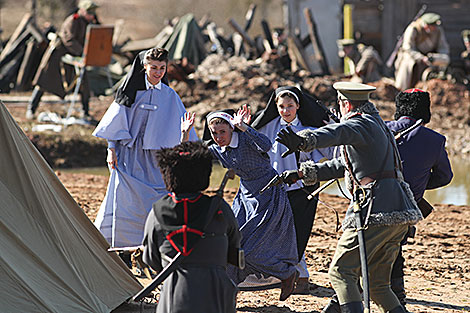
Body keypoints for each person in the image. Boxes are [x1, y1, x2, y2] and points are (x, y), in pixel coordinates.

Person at [276, 81, 423, 313]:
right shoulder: (376, 125)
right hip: (397, 212)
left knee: (341, 273)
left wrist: (304, 141)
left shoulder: (359, 123)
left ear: (345, 104)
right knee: (377, 285)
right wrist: (301, 174)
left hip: (375, 211)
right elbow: (344, 165)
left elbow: (336, 132)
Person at [181, 105, 299, 301]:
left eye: (222, 132)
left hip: (268, 194)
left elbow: (267, 145)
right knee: (230, 245)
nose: (219, 137)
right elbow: (186, 157)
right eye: (214, 133)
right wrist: (185, 134)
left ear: (231, 129)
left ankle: (286, 274)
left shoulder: (245, 138)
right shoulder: (217, 150)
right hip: (245, 197)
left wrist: (244, 127)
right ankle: (230, 291)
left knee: (252, 251)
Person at [92, 48, 197, 252]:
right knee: (125, 200)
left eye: (162, 68)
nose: (158, 72)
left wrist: (185, 136)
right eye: (154, 68)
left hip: (155, 159)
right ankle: (119, 246)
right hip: (129, 157)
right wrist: (111, 149)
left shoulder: (170, 96)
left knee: (156, 200)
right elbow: (116, 123)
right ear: (144, 67)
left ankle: (151, 246)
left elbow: (182, 132)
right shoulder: (130, 91)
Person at [142, 140, 241, 313]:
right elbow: (234, 248)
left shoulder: (156, 213)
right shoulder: (220, 209)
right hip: (217, 294)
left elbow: (152, 261)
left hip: (174, 295)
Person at [251, 86, 333, 294]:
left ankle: (301, 277)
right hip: (278, 187)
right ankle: (295, 275)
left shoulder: (310, 130)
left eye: (290, 106)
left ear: (298, 106)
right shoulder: (268, 127)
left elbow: (333, 150)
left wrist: (333, 125)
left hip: (304, 188)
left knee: (299, 232)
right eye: (281, 107)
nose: (286, 111)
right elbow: (251, 143)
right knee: (282, 233)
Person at [386, 88, 453, 309]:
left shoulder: (382, 129)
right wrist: (420, 184)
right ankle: (399, 301)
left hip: (374, 204)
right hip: (406, 210)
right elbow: (445, 177)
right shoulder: (435, 140)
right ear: (425, 110)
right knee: (395, 253)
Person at [26, 0, 101, 120]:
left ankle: (85, 112)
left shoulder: (90, 22)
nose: (91, 15)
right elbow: (69, 40)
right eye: (89, 13)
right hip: (59, 55)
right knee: (43, 81)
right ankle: (31, 108)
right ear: (82, 11)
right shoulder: (73, 21)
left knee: (83, 83)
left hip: (76, 57)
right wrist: (82, 51)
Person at [394, 12, 450, 90]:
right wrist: (421, 58)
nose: (434, 28)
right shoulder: (413, 29)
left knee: (445, 59)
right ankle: (403, 89)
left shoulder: (438, 30)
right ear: (426, 25)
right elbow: (408, 48)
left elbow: (443, 47)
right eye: (432, 26)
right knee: (408, 62)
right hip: (413, 56)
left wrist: (436, 57)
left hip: (429, 56)